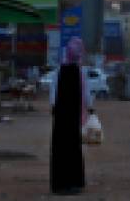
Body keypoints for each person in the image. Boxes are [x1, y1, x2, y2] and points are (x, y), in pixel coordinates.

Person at [49, 38, 88, 195]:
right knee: (73, 148)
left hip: (60, 116)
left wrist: (54, 108)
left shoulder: (59, 71)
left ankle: (59, 184)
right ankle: (74, 182)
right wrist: (89, 110)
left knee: (60, 149)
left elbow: (53, 94)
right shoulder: (81, 72)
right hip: (73, 117)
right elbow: (86, 96)